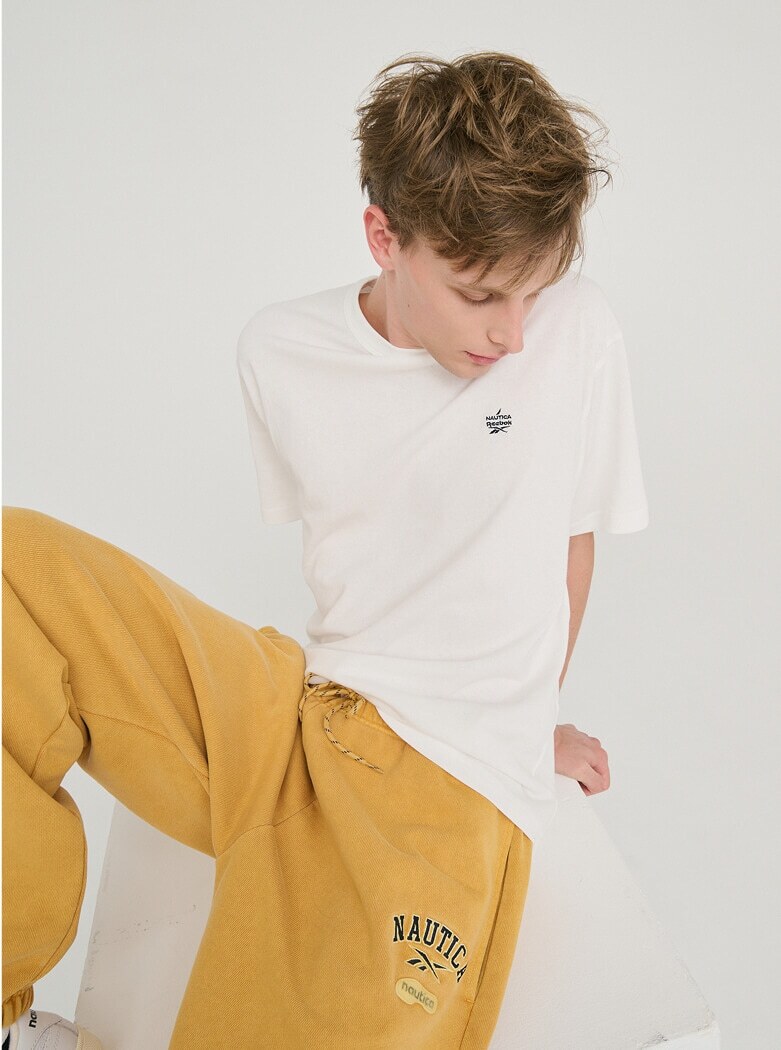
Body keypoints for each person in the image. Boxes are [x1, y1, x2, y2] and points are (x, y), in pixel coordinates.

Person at [2, 50, 649, 1050]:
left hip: (445, 777)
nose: (514, 334)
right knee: (17, 575)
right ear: (384, 237)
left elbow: (565, 546)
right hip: (299, 712)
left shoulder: (580, 333)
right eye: (480, 295)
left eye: (534, 292)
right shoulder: (279, 350)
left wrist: (525, 724)